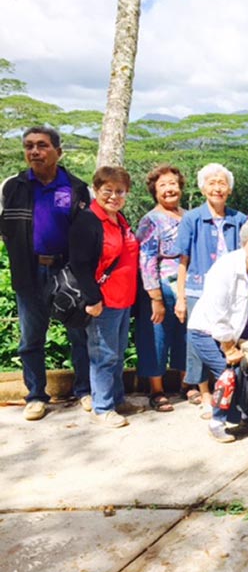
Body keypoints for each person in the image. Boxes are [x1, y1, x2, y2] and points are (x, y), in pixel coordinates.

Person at [0, 127, 91, 421]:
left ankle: (84, 390)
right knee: (31, 338)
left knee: (79, 333)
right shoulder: (12, 187)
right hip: (29, 272)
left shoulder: (76, 188)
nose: (34, 151)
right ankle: (36, 396)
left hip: (67, 273)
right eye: (29, 146)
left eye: (42, 145)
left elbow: (86, 232)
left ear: (58, 152)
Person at [187, 212, 248, 443]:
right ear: (245, 240)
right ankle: (217, 421)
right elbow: (217, 313)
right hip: (208, 331)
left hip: (246, 335)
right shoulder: (226, 267)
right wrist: (229, 347)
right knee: (229, 373)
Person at [70, 166, 141, 428]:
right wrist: (92, 299)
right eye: (107, 190)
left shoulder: (119, 219)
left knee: (118, 354)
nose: (114, 196)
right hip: (103, 301)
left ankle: (116, 398)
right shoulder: (88, 221)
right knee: (103, 355)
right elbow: (79, 264)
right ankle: (103, 407)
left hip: (123, 299)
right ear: (96, 190)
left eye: (120, 191)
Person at [176, 163, 246, 419]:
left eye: (222, 183)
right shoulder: (192, 218)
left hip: (231, 291)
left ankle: (225, 391)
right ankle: (205, 394)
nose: (217, 188)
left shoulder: (239, 219)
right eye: (212, 182)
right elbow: (182, 260)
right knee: (198, 344)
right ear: (203, 187)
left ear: (229, 189)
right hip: (197, 289)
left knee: (227, 340)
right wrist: (181, 297)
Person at [135, 165, 187, 413]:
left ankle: (187, 384)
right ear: (154, 191)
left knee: (185, 335)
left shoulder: (188, 216)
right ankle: (156, 390)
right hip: (160, 288)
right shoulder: (151, 220)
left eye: (173, 184)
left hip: (186, 286)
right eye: (163, 185)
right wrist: (155, 296)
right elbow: (146, 259)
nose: (169, 189)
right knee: (156, 337)